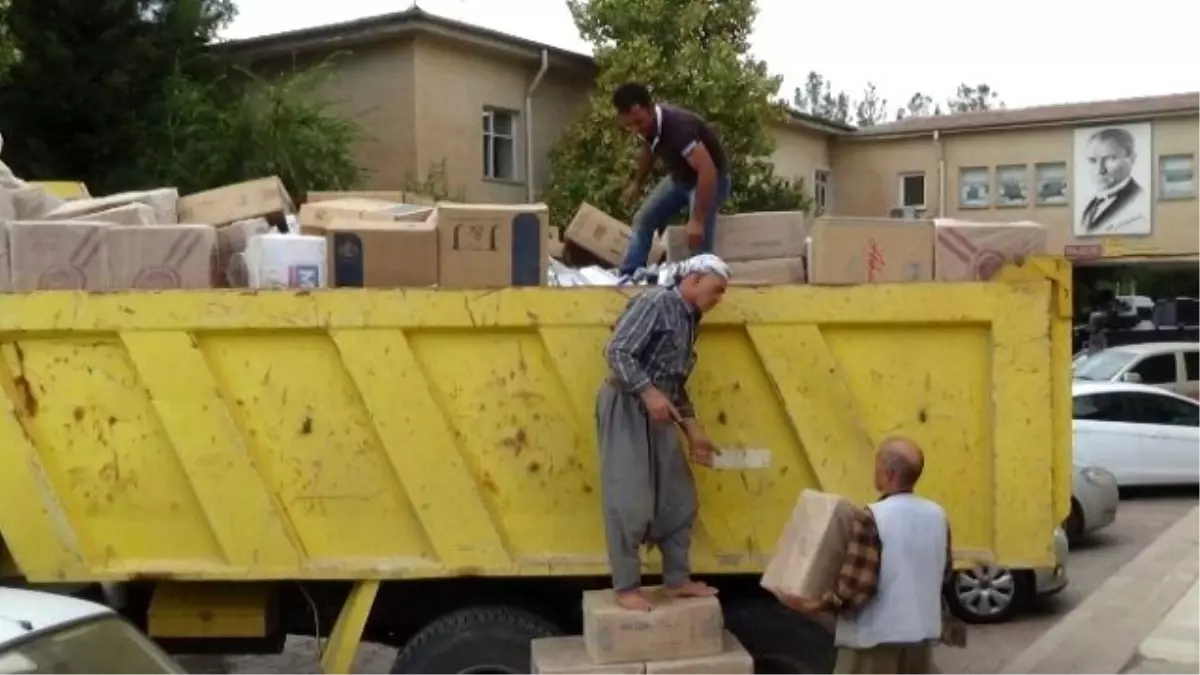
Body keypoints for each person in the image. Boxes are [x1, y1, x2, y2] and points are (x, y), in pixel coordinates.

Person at [596, 254, 731, 611]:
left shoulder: (690, 320)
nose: (719, 299)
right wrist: (648, 392)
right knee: (629, 501)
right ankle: (626, 587)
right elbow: (618, 351)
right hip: (627, 405)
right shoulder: (657, 301)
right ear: (696, 279)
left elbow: (674, 383)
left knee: (678, 498)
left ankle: (676, 580)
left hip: (659, 411)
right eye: (717, 290)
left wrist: (693, 428)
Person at [776, 437, 952, 675]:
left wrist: (816, 606)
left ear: (888, 473)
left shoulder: (872, 517)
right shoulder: (938, 515)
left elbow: (857, 588)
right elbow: (944, 572)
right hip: (920, 640)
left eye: (877, 464)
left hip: (875, 642)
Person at [611, 82, 731, 277]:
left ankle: (702, 282)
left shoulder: (678, 126)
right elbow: (649, 150)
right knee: (643, 220)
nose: (635, 130)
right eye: (629, 125)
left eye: (638, 122)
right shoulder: (647, 127)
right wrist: (636, 183)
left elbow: (707, 170)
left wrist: (698, 220)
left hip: (711, 179)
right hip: (682, 178)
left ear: (650, 108)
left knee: (697, 239)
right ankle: (630, 276)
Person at [1079, 127, 1144, 234]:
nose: (1100, 170)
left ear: (1131, 159)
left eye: (1109, 159)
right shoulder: (1094, 203)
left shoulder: (1139, 201)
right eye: (1093, 160)